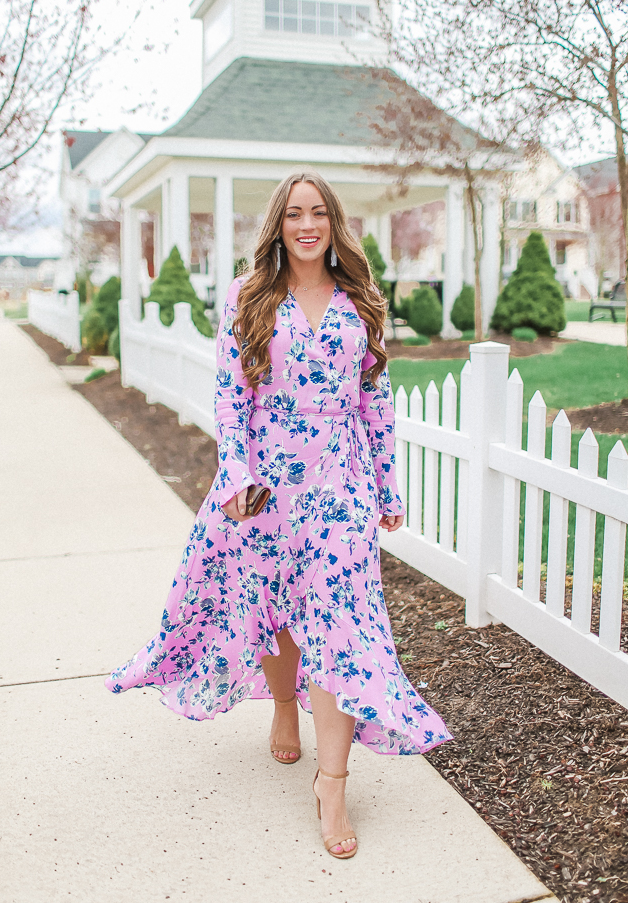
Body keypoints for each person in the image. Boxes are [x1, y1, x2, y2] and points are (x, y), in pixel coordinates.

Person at [106, 170, 452, 860]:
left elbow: (374, 404)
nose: (305, 223)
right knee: (274, 606)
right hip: (267, 483)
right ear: (278, 223)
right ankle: (284, 707)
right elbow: (231, 394)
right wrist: (234, 470)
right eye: (293, 212)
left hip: (340, 484)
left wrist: (385, 486)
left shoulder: (362, 301)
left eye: (317, 212)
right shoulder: (249, 295)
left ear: (333, 223)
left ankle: (333, 782)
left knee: (337, 624)